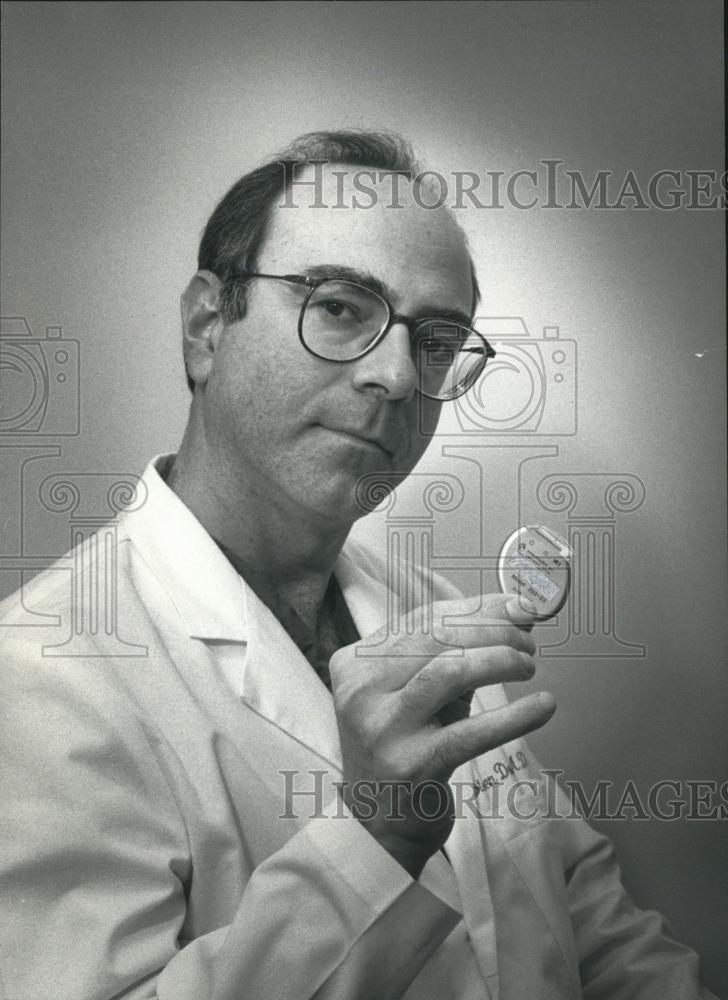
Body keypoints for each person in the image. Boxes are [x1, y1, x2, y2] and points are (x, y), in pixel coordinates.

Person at [0, 131, 715, 1000]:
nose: (396, 376)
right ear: (205, 328)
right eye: (340, 306)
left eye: (438, 341)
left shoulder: (427, 606)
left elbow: (591, 928)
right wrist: (375, 837)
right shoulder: (40, 677)